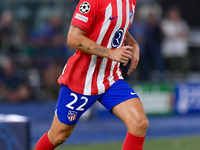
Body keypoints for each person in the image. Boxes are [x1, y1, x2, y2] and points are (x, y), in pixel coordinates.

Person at [35, 0, 149, 149]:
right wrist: (110, 53)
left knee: (139, 122)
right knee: (58, 136)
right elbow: (73, 37)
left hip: (110, 77)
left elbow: (113, 20)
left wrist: (131, 41)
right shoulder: (91, 1)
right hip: (82, 78)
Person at [160, 7, 189, 79]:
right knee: (172, 69)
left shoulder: (182, 22)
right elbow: (169, 34)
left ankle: (184, 81)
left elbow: (186, 33)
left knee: (184, 67)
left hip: (181, 49)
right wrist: (179, 34)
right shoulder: (166, 22)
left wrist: (178, 34)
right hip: (170, 50)